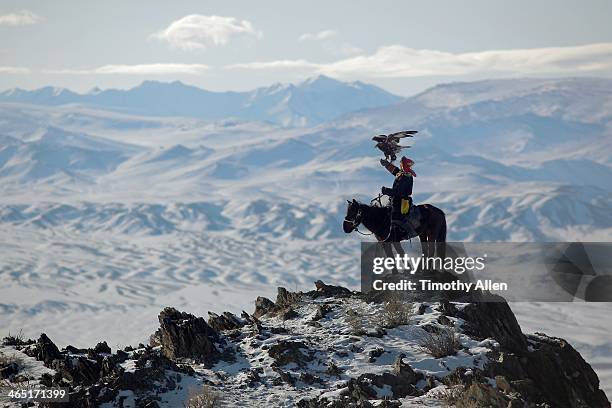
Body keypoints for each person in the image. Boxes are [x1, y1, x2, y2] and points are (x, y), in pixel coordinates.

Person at [380, 156, 417, 236]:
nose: (400, 165)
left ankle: (401, 232)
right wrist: (387, 164)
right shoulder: (403, 173)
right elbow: (395, 171)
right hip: (397, 199)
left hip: (401, 201)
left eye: (401, 164)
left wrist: (386, 191)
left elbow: (398, 191)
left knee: (395, 216)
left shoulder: (407, 176)